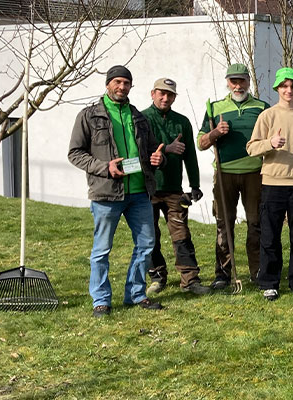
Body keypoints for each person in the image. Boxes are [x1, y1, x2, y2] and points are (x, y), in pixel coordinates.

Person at [67, 65, 166, 318]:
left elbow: (153, 151)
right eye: (117, 82)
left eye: (126, 83)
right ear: (108, 84)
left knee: (146, 245)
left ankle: (136, 294)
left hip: (139, 192)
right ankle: (100, 300)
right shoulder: (89, 116)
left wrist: (158, 158)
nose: (122, 87)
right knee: (101, 250)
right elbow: (75, 154)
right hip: (105, 194)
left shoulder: (138, 117)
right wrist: (104, 167)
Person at [246, 67, 293, 301]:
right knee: (270, 237)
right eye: (284, 86)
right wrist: (270, 142)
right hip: (272, 184)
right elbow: (251, 147)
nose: (288, 90)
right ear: (278, 88)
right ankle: (269, 282)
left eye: (292, 86)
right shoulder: (267, 116)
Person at [197, 63, 269, 290]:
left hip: (254, 173)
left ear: (249, 81)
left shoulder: (262, 107)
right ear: (227, 82)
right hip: (225, 172)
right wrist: (215, 133)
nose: (238, 86)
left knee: (256, 223)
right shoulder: (215, 108)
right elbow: (200, 143)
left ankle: (257, 272)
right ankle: (222, 275)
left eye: (242, 81)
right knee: (223, 224)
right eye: (233, 81)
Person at [141, 77, 211, 297]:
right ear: (152, 93)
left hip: (173, 189)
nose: (165, 97)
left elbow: (190, 155)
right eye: (161, 93)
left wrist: (195, 184)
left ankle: (190, 279)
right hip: (148, 189)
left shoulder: (182, 122)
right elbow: (140, 153)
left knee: (181, 235)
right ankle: (157, 276)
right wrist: (167, 150)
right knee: (149, 235)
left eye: (170, 94)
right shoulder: (142, 119)